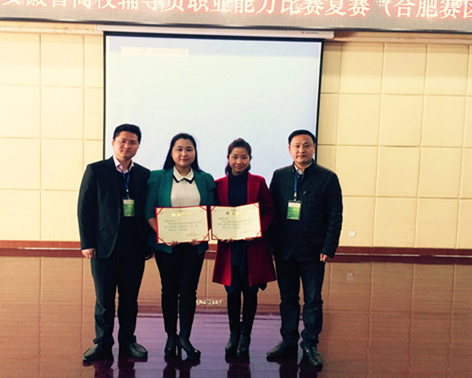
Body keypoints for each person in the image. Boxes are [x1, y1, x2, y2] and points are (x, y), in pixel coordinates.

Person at [266, 129, 343, 368]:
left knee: (312, 299)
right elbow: (271, 212)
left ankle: (310, 343)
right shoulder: (279, 176)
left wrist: (329, 246)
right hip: (285, 249)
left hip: (313, 250)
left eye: (306, 145)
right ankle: (288, 340)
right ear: (289, 149)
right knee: (288, 298)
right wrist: (270, 245)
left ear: (314, 148)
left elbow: (335, 215)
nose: (301, 150)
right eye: (297, 146)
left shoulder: (327, 178)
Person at [78, 123, 151, 362]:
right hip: (103, 247)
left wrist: (148, 244)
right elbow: (84, 208)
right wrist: (87, 243)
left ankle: (128, 341)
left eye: (132, 142)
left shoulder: (144, 174)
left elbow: (147, 211)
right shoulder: (96, 170)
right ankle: (102, 343)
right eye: (122, 141)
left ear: (138, 146)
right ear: (113, 143)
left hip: (134, 248)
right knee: (104, 300)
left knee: (130, 299)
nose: (127, 146)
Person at [145, 133, 215, 361]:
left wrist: (202, 232)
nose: (184, 154)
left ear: (195, 152)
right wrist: (164, 233)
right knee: (169, 290)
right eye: (179, 149)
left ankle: (185, 336)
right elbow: (149, 212)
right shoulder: (157, 177)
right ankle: (170, 336)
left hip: (194, 247)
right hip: (167, 246)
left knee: (189, 291)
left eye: (189, 149)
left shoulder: (205, 179)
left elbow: (211, 211)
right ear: (171, 152)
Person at [211, 138, 276, 358]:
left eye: (244, 157)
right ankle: (233, 334)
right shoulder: (218, 184)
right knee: (232, 292)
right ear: (228, 158)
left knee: (250, 291)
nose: (239, 161)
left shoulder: (259, 182)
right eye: (235, 157)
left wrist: (257, 229)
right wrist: (220, 230)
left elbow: (269, 211)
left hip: (252, 246)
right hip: (230, 248)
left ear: (250, 159)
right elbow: (213, 213)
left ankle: (246, 335)